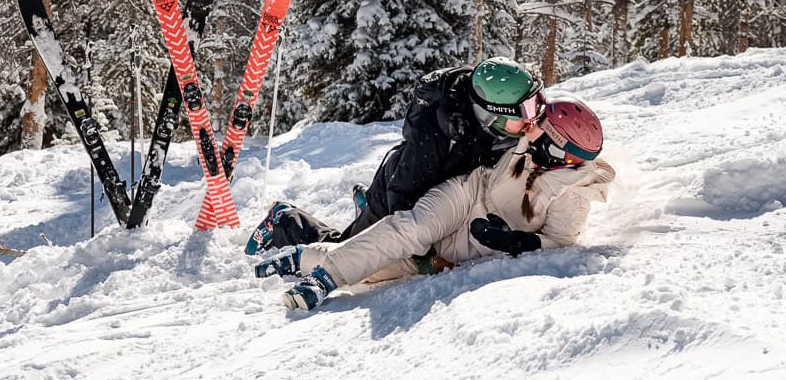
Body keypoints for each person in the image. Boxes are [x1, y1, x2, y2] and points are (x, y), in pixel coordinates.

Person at [252, 95, 615, 310]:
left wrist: (514, 242)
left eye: (541, 127)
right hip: (466, 193)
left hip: (468, 243)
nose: (530, 126)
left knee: (388, 266)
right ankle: (323, 279)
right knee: (409, 229)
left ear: (559, 151)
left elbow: (561, 241)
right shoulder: (533, 144)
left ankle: (302, 257)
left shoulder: (575, 194)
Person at [245, 57, 545, 254]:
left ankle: (364, 208)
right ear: (492, 114)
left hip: (430, 192)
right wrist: (421, 247)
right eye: (526, 110)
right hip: (397, 190)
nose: (534, 117)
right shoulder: (436, 140)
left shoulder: (492, 128)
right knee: (344, 251)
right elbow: (403, 196)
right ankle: (285, 221)